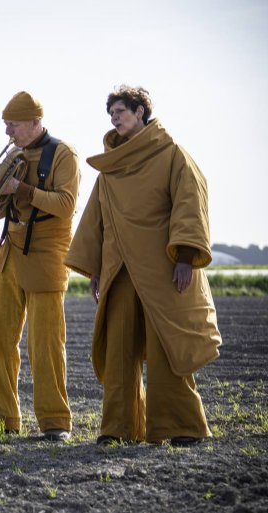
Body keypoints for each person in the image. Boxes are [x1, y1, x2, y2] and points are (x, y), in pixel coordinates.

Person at [65, 85, 221, 447]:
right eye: (111, 114)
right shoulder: (110, 169)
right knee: (119, 352)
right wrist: (97, 270)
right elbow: (96, 222)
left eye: (121, 110)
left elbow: (191, 205)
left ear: (140, 112)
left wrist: (185, 258)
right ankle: (118, 429)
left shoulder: (173, 155)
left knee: (168, 349)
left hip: (164, 270)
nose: (115, 118)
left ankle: (183, 427)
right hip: (120, 274)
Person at [0, 91, 80, 442]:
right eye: (5, 125)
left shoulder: (63, 154)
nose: (8, 133)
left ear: (36, 122)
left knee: (45, 344)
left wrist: (21, 187)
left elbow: (65, 204)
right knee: (1, 340)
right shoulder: (16, 154)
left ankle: (55, 422)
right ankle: (0, 417)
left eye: (13, 125)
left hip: (47, 255)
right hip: (11, 253)